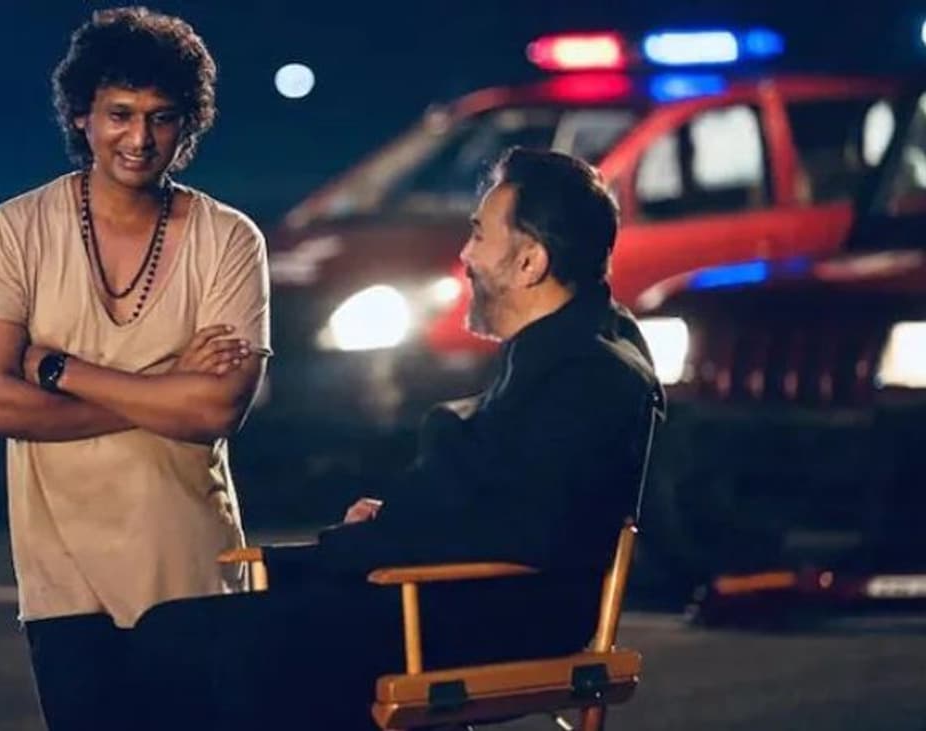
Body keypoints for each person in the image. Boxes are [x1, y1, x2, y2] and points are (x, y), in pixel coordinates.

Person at [128, 147, 664, 731]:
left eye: (479, 236)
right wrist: (387, 524)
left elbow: (530, 530)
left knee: (210, 646)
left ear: (530, 261)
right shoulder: (569, 350)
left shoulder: (588, 373)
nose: (466, 256)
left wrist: (372, 540)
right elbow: (510, 497)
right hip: (460, 595)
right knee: (180, 631)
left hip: (491, 613)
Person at [0, 7, 269, 729]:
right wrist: (163, 388)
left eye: (161, 117)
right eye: (120, 114)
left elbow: (216, 409)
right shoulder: (17, 228)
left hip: (191, 568)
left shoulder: (229, 239)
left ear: (188, 123)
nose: (139, 138)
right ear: (82, 115)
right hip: (63, 580)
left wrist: (59, 370)